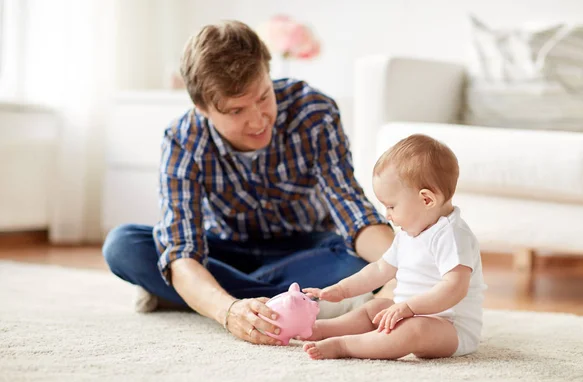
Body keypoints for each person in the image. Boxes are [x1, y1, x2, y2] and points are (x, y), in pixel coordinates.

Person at [102, 20, 395, 346]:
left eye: (263, 97)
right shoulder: (183, 138)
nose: (257, 120)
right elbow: (182, 249)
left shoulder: (313, 111)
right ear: (202, 109)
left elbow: (352, 212)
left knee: (357, 265)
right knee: (124, 245)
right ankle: (298, 304)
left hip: (308, 250)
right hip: (224, 250)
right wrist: (228, 312)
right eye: (237, 110)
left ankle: (189, 296)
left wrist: (405, 264)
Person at [301, 134, 487, 360]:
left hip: (449, 327)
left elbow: (454, 288)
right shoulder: (408, 234)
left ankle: (346, 346)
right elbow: (380, 270)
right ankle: (321, 329)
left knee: (413, 330)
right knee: (375, 308)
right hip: (408, 312)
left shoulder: (452, 235)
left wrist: (409, 308)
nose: (387, 215)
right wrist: (341, 289)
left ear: (426, 200)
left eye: (391, 206)